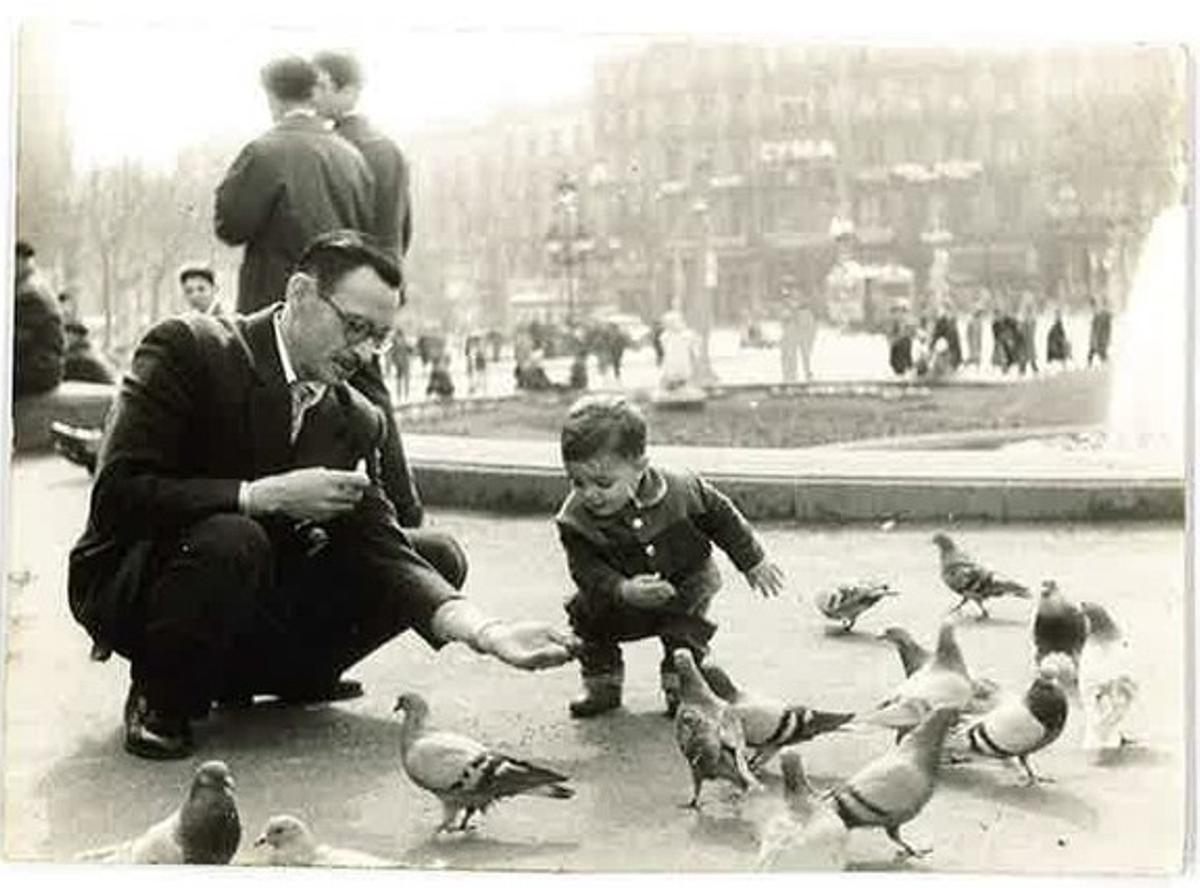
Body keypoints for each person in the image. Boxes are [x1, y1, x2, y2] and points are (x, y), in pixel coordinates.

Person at [67, 231, 576, 760]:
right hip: (139, 581)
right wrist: (257, 496)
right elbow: (117, 496)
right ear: (301, 293)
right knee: (233, 536)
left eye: (378, 337)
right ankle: (163, 694)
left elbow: (382, 546)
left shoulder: (355, 416)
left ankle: (290, 676)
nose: (363, 352)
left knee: (435, 554)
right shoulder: (190, 348)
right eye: (355, 327)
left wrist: (488, 634)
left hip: (251, 592)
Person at [555, 395, 785, 718]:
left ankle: (683, 684)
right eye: (576, 481)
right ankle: (602, 681)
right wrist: (622, 588)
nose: (589, 494)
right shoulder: (575, 518)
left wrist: (752, 560)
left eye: (603, 483)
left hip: (685, 580)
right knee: (586, 615)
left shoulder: (681, 488)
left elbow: (722, 517)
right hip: (618, 593)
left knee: (686, 628)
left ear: (640, 467)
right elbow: (585, 568)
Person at [215, 55, 374, 315]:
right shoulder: (352, 157)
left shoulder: (263, 152)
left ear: (271, 97)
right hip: (337, 307)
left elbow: (230, 227)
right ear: (312, 93)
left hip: (276, 310)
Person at [312, 50, 413, 257]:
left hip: (348, 274)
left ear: (349, 92)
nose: (313, 96)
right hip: (385, 272)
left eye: (322, 86)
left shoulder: (329, 148)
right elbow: (402, 228)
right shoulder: (388, 148)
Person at [13, 240, 65, 400]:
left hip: (39, 367)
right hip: (42, 364)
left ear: (20, 261)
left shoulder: (30, 293)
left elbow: (17, 338)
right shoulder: (34, 285)